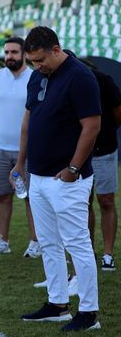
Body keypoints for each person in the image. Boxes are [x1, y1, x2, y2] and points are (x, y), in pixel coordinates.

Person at [15, 27, 101, 331]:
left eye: (40, 60)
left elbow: (92, 126)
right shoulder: (38, 75)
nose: (37, 66)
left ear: (56, 49)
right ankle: (58, 304)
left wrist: (74, 169)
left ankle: (89, 313)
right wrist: (21, 162)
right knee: (49, 243)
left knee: (77, 244)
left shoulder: (80, 76)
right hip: (37, 176)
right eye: (32, 61)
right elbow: (29, 121)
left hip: (67, 179)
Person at [0, 37, 39, 258]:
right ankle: (2, 240)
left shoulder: (35, 78)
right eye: (6, 52)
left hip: (28, 150)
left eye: (14, 52)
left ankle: (36, 242)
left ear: (24, 54)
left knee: (32, 198)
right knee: (2, 196)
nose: (9, 56)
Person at [87, 69, 120, 271]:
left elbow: (118, 112)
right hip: (77, 152)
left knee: (106, 200)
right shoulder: (57, 79)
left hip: (104, 150)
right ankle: (87, 251)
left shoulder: (102, 79)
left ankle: (108, 254)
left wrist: (105, 133)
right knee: (83, 202)